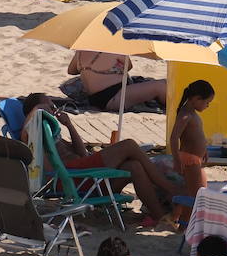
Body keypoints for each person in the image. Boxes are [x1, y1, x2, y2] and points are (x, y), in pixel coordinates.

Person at [20, 94, 173, 225]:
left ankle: (159, 215)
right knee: (129, 145)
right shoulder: (33, 134)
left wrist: (69, 125)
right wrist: (37, 109)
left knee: (134, 166)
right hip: (71, 178)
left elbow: (82, 153)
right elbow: (25, 132)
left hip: (86, 176)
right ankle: (169, 187)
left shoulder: (52, 134)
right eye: (50, 105)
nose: (54, 108)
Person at [169, 79, 216, 213]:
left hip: (195, 158)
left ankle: (179, 218)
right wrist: (176, 160)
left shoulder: (191, 113)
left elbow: (196, 135)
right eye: (207, 102)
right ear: (196, 99)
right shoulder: (185, 114)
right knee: (196, 196)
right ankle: (187, 221)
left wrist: (204, 150)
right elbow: (174, 138)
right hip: (189, 159)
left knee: (194, 193)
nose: (207, 106)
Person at [69, 49, 167, 113]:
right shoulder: (114, 49)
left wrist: (89, 69)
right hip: (114, 97)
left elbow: (71, 71)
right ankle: (175, 111)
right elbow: (129, 66)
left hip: (93, 99)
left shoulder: (81, 51)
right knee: (160, 86)